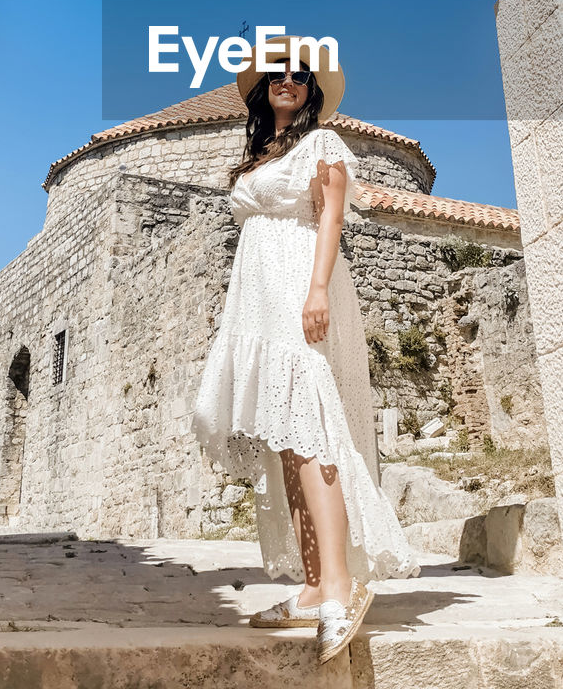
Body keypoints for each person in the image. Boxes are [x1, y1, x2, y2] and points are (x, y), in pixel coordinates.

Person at [190, 35, 418, 664]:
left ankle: (342, 588)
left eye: (298, 75)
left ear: (312, 89)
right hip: (256, 297)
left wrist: (317, 289)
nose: (287, 81)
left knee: (313, 430)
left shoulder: (323, 144)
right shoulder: (262, 152)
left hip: (298, 283)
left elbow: (331, 219)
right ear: (263, 90)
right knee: (287, 442)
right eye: (276, 76)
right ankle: (314, 586)